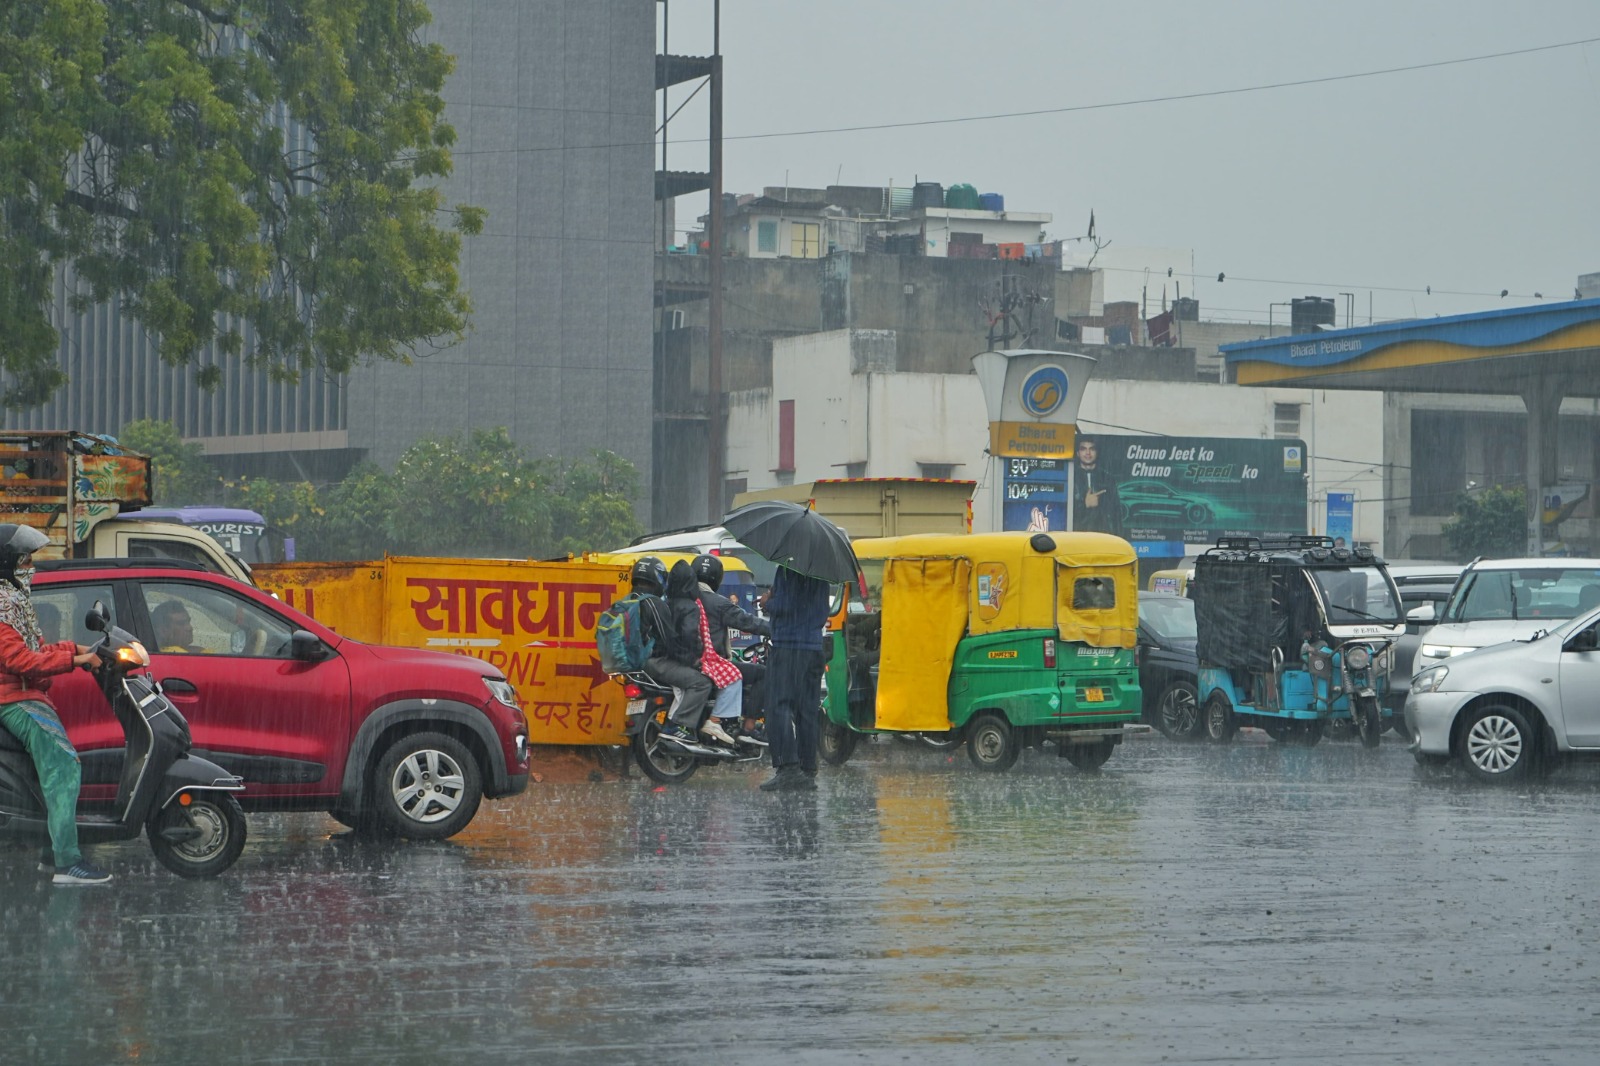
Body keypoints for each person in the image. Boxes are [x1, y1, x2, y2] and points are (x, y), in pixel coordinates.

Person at [0, 524, 111, 885]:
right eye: (24, 560)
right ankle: (67, 863)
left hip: (27, 695)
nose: (30, 566)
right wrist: (75, 662)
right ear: (7, 563)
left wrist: (75, 649)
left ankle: (52, 853)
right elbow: (21, 662)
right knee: (63, 766)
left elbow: (35, 651)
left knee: (49, 771)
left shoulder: (13, 601)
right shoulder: (2, 605)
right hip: (14, 699)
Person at [760, 564, 832, 793]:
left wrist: (767, 602)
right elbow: (820, 611)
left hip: (789, 647)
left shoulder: (791, 566)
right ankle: (807, 768)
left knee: (777, 706)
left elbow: (788, 605)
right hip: (813, 648)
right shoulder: (822, 572)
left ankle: (788, 768)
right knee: (806, 710)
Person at [631, 557, 714, 753]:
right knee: (701, 683)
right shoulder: (657, 604)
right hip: (654, 662)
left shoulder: (636, 600)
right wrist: (691, 660)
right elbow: (672, 639)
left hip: (639, 662)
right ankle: (680, 726)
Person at [692, 554, 771, 744]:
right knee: (764, 673)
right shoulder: (717, 602)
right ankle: (748, 727)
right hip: (711, 662)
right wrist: (776, 630)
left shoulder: (684, 598)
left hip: (688, 660)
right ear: (716, 578)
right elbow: (746, 621)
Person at [1072, 436, 1121, 535]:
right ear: (1077, 453)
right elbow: (1064, 511)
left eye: (1092, 449)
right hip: (1076, 535)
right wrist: (1085, 505)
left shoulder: (1107, 478)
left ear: (1097, 452)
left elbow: (1115, 512)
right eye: (1083, 449)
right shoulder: (1071, 476)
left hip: (1103, 535)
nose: (1088, 453)